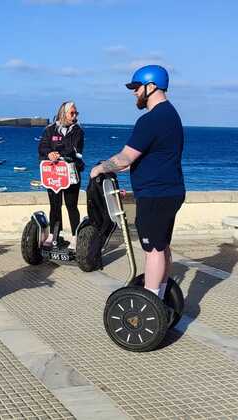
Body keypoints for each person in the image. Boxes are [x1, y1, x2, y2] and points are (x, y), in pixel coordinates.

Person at [90, 65, 185, 301]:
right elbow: (152, 157)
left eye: (136, 87)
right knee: (162, 247)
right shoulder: (172, 115)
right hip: (171, 191)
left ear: (151, 87)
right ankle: (160, 297)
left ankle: (149, 303)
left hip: (154, 194)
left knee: (152, 249)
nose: (134, 92)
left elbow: (125, 158)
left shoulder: (150, 120)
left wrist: (99, 169)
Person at [38, 101, 85, 249]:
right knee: (55, 205)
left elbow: (75, 149)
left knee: (71, 205)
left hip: (71, 172)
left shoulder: (78, 131)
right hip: (53, 172)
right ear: (63, 113)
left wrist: (58, 153)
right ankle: (54, 234)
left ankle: (75, 236)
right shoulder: (50, 129)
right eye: (72, 113)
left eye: (76, 113)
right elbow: (42, 146)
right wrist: (49, 153)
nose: (75, 115)